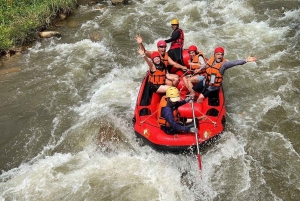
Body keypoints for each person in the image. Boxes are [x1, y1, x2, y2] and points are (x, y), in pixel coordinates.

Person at [192, 46, 258, 103]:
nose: (220, 56)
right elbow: (206, 65)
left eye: (221, 54)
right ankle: (192, 98)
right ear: (214, 55)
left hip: (212, 87)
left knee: (200, 97)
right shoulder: (211, 60)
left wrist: (245, 60)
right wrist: (200, 69)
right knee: (193, 89)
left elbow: (234, 63)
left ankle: (198, 108)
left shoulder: (224, 65)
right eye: (218, 54)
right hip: (205, 81)